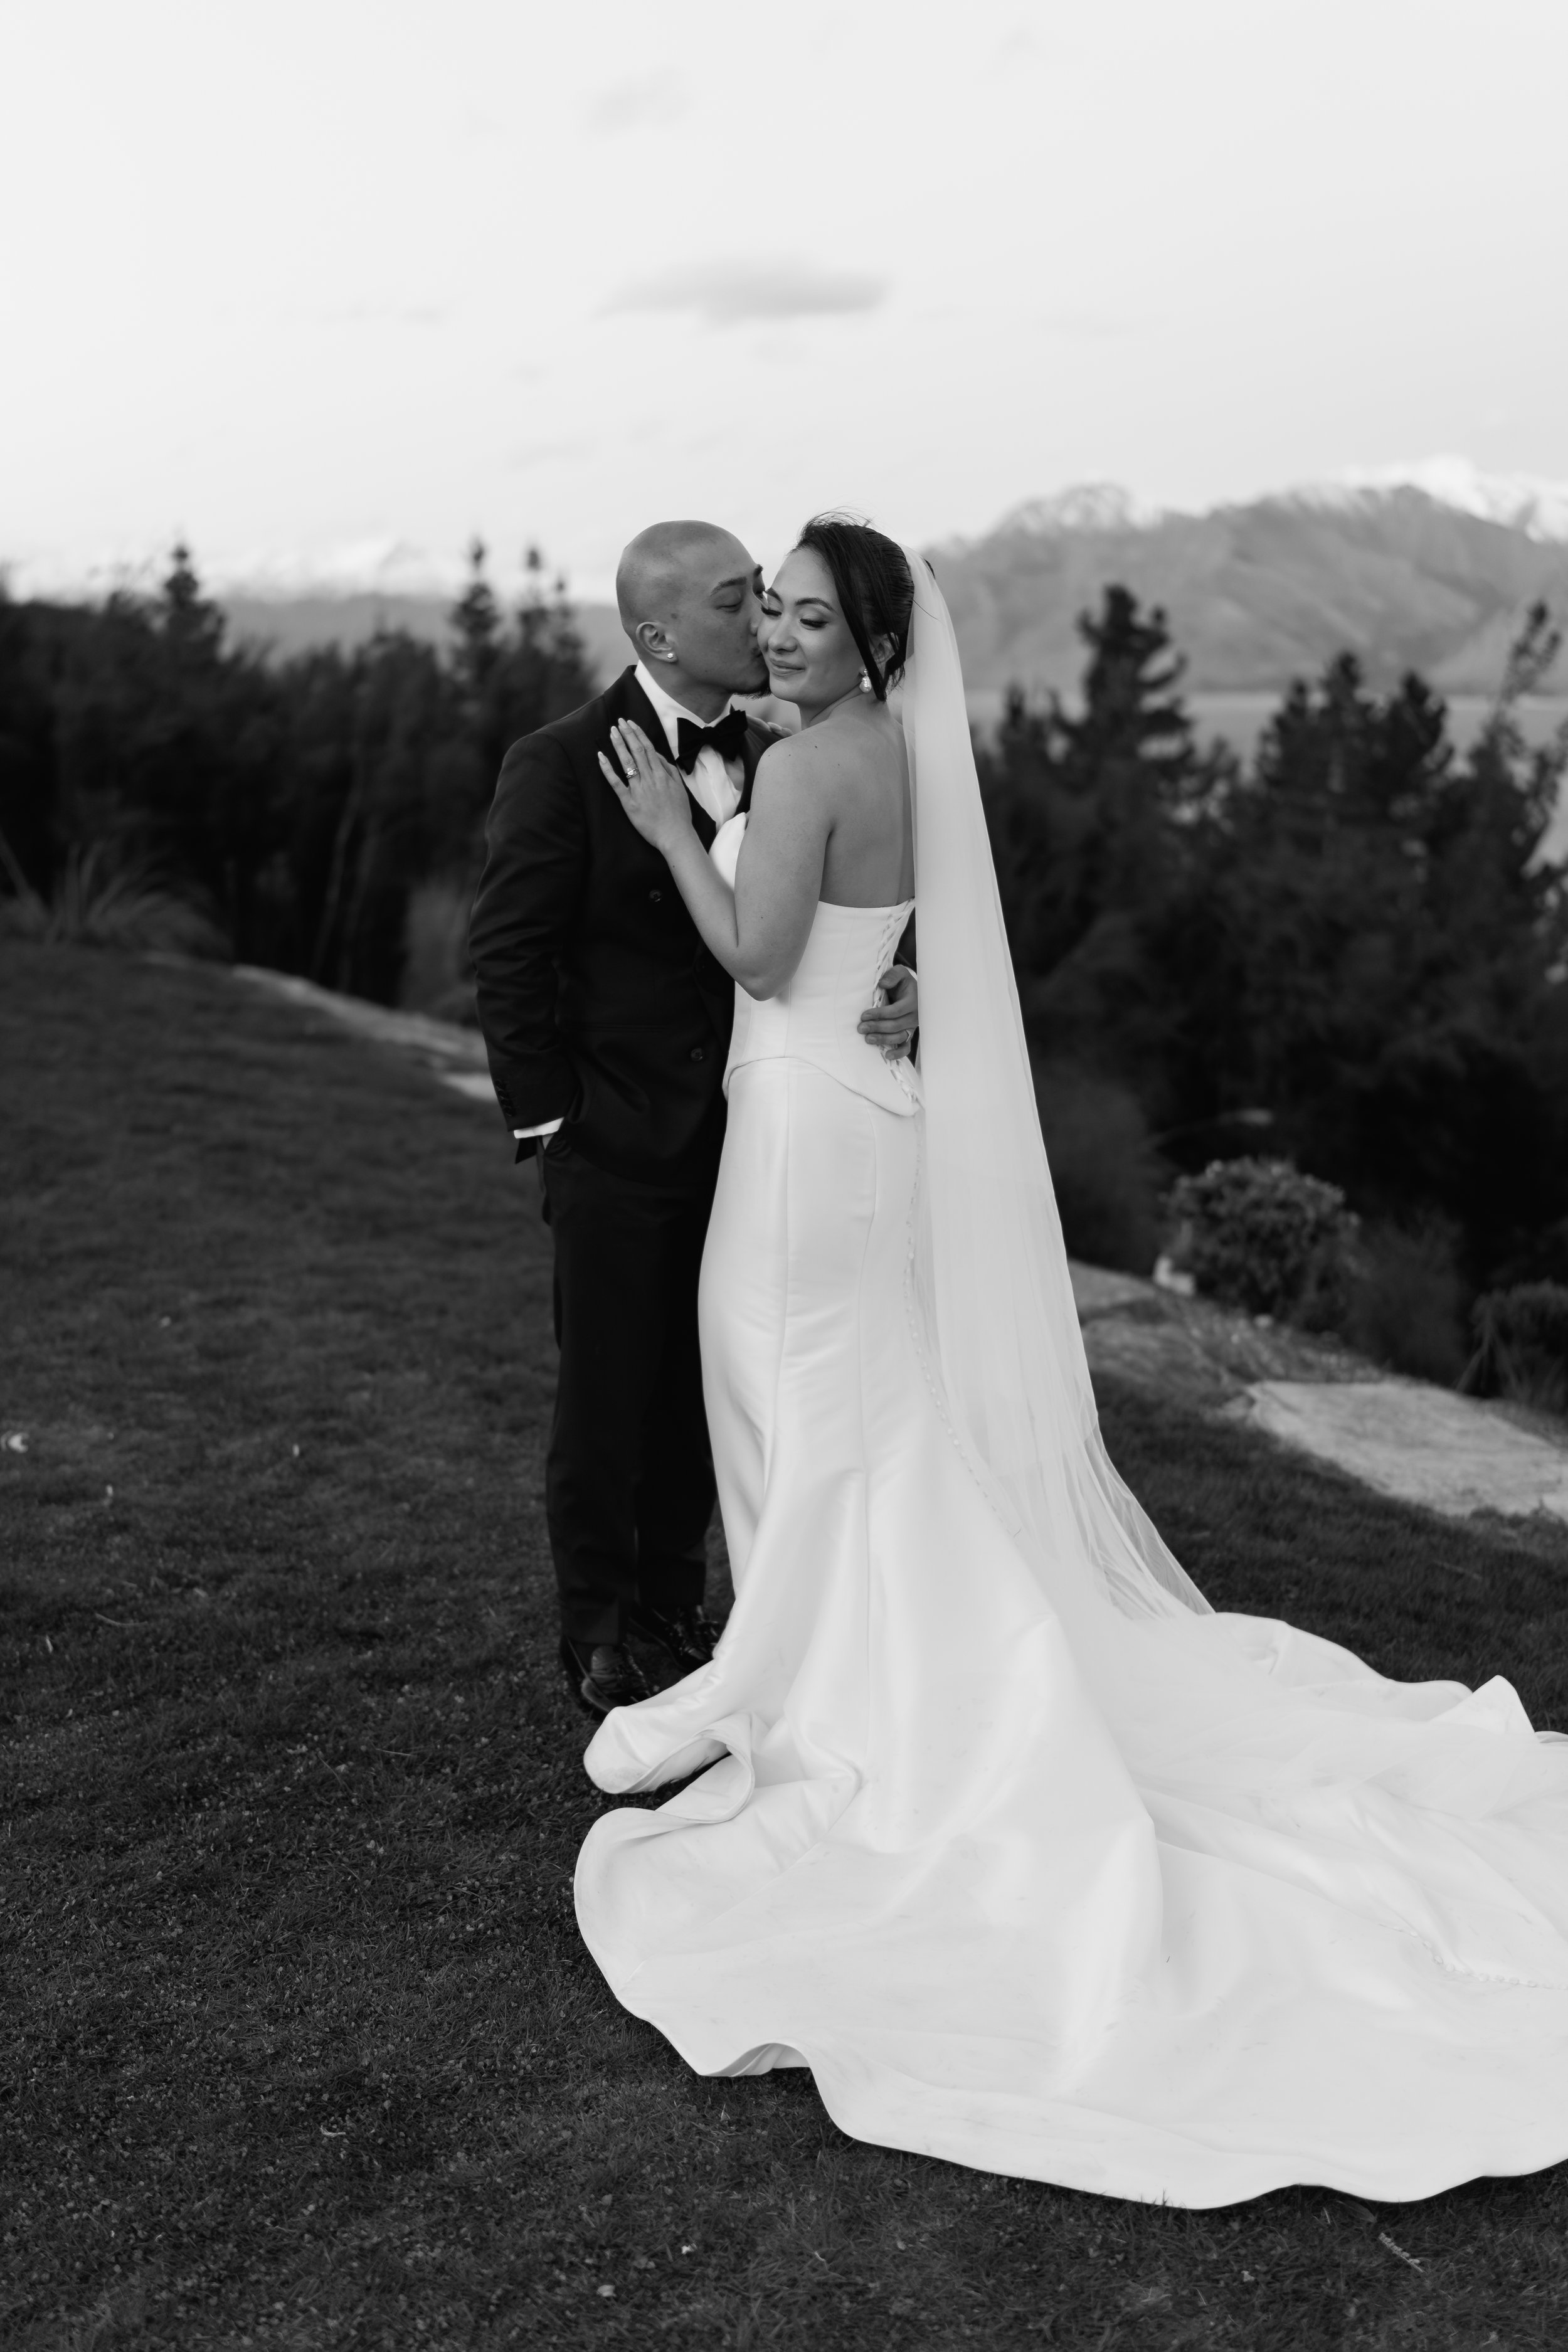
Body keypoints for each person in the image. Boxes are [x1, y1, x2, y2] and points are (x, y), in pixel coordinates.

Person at [574, 514, 1568, 2208]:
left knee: (798, 1395)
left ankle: (832, 1694)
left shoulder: (815, 760)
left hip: (806, 1133)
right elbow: (902, 947)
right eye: (778, 614)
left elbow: (752, 953)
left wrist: (680, 830)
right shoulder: (884, 748)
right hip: (862, 1111)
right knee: (847, 1407)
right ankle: (831, 1666)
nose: (790, 636)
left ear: (875, 637)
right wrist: (855, 951)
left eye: (814, 616)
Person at [467, 522, 918, 1718]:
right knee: (607, 1396)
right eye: (739, 602)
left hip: (756, 1133)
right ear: (660, 632)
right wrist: (554, 1123)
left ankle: (677, 1603)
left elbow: (843, 908)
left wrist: (903, 982)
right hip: (613, 1144)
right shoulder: (559, 762)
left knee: (703, 1392)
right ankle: (599, 1631)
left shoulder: (783, 747)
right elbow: (507, 956)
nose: (764, 619)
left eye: (773, 596)